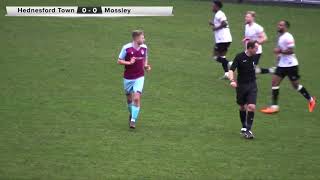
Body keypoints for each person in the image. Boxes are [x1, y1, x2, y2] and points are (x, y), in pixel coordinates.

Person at [260, 21, 316, 114]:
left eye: (281, 25)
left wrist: (279, 51)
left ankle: (311, 100)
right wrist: (279, 57)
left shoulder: (288, 36)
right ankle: (274, 107)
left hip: (291, 65)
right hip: (282, 65)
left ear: (285, 27)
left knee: (296, 85)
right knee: (274, 82)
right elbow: (281, 50)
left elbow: (290, 51)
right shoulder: (280, 36)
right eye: (278, 24)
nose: (278, 26)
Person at [117, 30, 151, 128]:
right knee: (129, 99)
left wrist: (146, 66)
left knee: (136, 98)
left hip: (140, 77)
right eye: (142, 37)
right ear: (136, 38)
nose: (144, 39)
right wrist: (129, 63)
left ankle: (133, 120)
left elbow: (145, 57)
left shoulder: (144, 47)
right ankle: (132, 114)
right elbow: (119, 61)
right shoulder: (126, 48)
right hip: (128, 77)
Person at [229, 41, 259, 139]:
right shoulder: (239, 57)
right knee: (242, 107)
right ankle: (243, 126)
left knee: (251, 106)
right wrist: (232, 80)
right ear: (250, 48)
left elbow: (255, 69)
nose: (257, 50)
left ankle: (248, 130)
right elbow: (231, 69)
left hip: (252, 85)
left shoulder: (255, 56)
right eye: (255, 48)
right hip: (241, 86)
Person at [209, 0, 232, 79]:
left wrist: (215, 28)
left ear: (217, 7)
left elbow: (224, 24)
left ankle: (231, 63)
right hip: (226, 39)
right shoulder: (219, 14)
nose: (212, 7)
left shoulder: (219, 14)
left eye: (213, 6)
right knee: (222, 57)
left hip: (222, 39)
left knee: (215, 56)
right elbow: (223, 24)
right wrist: (213, 24)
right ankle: (227, 74)